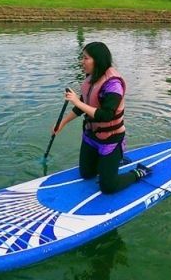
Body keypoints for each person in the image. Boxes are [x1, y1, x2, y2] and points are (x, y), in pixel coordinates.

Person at [53, 42, 151, 194]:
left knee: (108, 187)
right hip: (91, 136)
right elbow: (82, 105)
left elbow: (106, 115)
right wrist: (62, 124)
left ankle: (137, 173)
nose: (82, 62)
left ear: (97, 60)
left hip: (110, 139)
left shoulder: (113, 84)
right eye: (82, 58)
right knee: (86, 174)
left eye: (85, 58)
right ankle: (110, 162)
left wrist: (77, 101)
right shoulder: (91, 78)